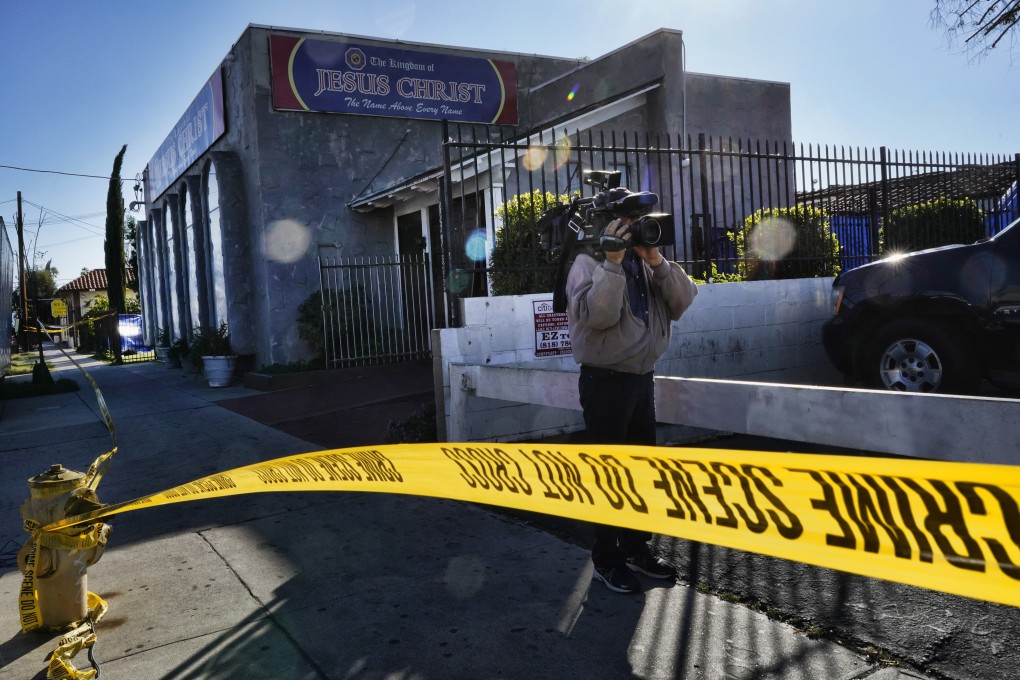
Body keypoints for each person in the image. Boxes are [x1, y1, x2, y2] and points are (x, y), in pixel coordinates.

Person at [565, 214, 699, 594]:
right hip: (605, 380)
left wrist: (656, 260)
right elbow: (598, 316)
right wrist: (612, 263)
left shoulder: (646, 263)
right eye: (624, 221)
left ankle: (636, 548)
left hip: (642, 377)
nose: (633, 228)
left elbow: (682, 303)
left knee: (640, 471)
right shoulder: (585, 263)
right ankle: (607, 559)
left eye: (637, 221)